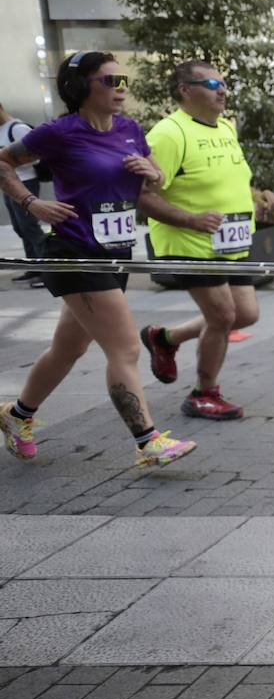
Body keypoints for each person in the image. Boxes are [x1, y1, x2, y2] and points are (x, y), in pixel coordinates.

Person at [0, 51, 196, 467]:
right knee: (125, 347)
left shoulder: (128, 129)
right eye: (110, 80)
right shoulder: (59, 132)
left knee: (67, 348)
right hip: (75, 251)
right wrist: (32, 203)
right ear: (81, 87)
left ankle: (17, 416)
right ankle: (148, 441)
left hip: (115, 253)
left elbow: (154, 173)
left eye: (122, 79)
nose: (120, 87)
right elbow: (4, 162)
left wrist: (153, 170)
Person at [136, 61, 274, 421]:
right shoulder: (169, 134)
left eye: (225, 83)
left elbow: (229, 179)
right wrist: (191, 220)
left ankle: (165, 338)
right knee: (222, 315)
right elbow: (141, 196)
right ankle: (203, 393)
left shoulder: (226, 128)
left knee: (244, 314)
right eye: (213, 83)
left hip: (231, 242)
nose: (222, 90)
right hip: (189, 244)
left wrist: (257, 197)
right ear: (185, 90)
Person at [0, 102, 45, 286]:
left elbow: (37, 156)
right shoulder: (2, 130)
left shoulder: (18, 128)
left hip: (26, 182)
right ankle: (32, 267)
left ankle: (46, 270)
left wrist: (11, 161)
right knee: (20, 227)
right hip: (8, 184)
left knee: (30, 226)